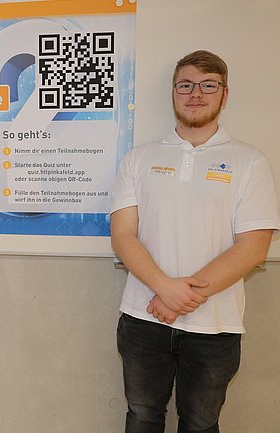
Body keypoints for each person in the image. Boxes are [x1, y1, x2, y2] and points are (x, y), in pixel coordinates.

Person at [110, 50, 280, 433]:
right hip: (143, 319)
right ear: (173, 92)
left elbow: (253, 246)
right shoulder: (138, 158)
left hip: (215, 328)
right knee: (142, 417)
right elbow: (122, 235)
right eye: (185, 85)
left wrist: (177, 298)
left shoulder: (250, 161)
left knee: (201, 425)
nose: (196, 94)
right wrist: (164, 288)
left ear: (225, 94)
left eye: (208, 85)